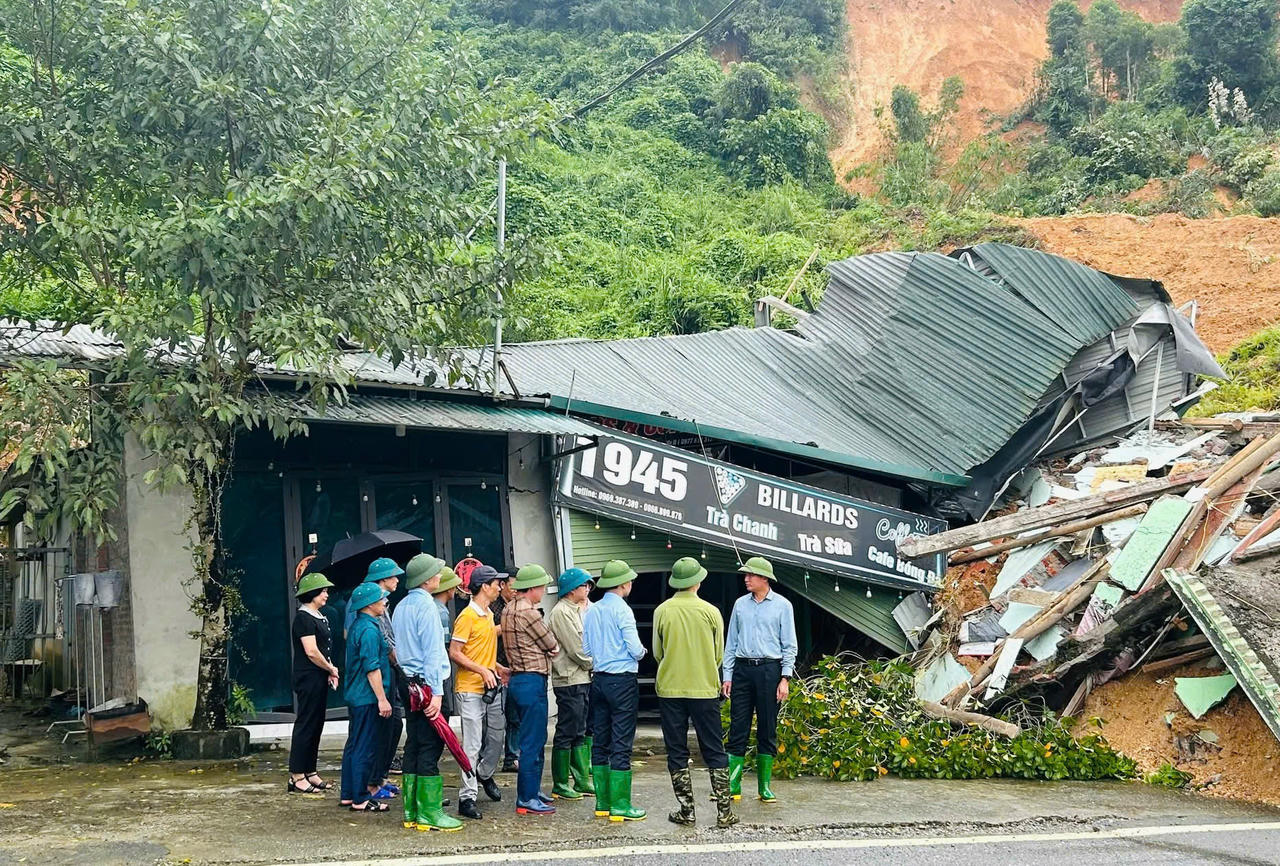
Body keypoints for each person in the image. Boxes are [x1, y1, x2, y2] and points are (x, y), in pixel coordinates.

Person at [653, 557, 738, 827]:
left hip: (670, 689)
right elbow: (717, 654)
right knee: (714, 748)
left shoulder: (662, 611)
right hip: (704, 688)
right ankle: (724, 812)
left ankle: (686, 810)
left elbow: (658, 652)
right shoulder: (711, 611)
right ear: (698, 582)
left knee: (676, 750)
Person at [391, 553, 462, 833]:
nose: (439, 576)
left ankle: (412, 809)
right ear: (427, 579)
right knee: (431, 745)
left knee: (414, 743)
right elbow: (434, 652)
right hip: (427, 684)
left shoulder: (401, 607)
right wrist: (437, 693)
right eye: (436, 572)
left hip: (407, 684)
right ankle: (430, 813)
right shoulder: (429, 608)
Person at [723, 556, 797, 804]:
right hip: (743, 669)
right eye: (745, 575)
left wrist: (785, 677)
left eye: (751, 575)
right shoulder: (740, 605)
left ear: (764, 578)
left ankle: (764, 787)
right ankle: (733, 784)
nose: (746, 579)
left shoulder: (783, 606)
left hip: (769, 670)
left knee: (767, 727)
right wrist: (728, 675)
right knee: (738, 726)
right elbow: (731, 642)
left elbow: (789, 645)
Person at [582, 559, 646, 822]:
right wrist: (642, 653)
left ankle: (603, 803)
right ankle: (621, 805)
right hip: (622, 680)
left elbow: (586, 649)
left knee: (600, 740)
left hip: (598, 680)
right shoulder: (623, 610)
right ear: (623, 584)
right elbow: (634, 647)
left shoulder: (592, 610)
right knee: (621, 742)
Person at [449, 564, 510, 820]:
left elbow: (480, 652)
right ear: (485, 586)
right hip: (470, 689)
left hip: (491, 686)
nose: (500, 587)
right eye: (497, 583)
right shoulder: (467, 616)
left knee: (497, 738)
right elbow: (455, 652)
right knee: (472, 744)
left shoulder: (487, 615)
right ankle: (467, 796)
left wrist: (497, 668)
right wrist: (482, 671)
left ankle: (484, 774)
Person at [500, 563, 561, 815]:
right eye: (542, 587)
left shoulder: (508, 609)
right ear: (533, 588)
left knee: (529, 738)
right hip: (533, 679)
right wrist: (551, 650)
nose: (543, 591)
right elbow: (551, 643)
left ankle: (533, 791)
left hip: (516, 679)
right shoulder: (530, 612)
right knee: (534, 741)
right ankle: (526, 797)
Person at [345, 557, 405, 799]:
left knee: (368, 739)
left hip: (368, 686)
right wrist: (382, 697)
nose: (397, 580)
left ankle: (361, 787)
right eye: (393, 576)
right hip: (367, 690)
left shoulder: (371, 616)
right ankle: (363, 791)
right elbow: (371, 662)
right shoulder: (367, 622)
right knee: (365, 743)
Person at [340, 581, 394, 812]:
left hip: (356, 695)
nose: (384, 602)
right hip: (367, 696)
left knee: (353, 745)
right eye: (381, 599)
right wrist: (382, 698)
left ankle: (348, 793)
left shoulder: (358, 626)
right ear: (370, 603)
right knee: (364, 746)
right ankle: (361, 797)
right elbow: (372, 668)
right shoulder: (370, 630)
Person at [288, 572, 340, 794]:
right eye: (323, 591)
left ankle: (310, 770)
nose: (327, 594)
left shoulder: (320, 616)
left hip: (319, 675)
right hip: (308, 676)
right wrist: (330, 668)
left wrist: (329, 670)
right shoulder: (303, 618)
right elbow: (311, 651)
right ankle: (297, 774)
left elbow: (324, 649)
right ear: (313, 594)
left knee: (317, 723)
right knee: (306, 723)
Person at [548, 567, 594, 801]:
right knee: (567, 729)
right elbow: (576, 647)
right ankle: (560, 783)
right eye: (583, 585)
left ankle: (581, 779)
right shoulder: (561, 612)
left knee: (580, 728)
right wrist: (593, 664)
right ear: (571, 589)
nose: (587, 589)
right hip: (569, 678)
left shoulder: (577, 609)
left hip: (581, 677)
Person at [492, 576, 522, 774]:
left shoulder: (520, 606)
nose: (515, 591)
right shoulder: (493, 608)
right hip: (495, 666)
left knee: (515, 715)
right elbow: (487, 634)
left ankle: (512, 757)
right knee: (495, 719)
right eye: (512, 586)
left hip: (515, 666)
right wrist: (509, 626)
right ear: (502, 585)